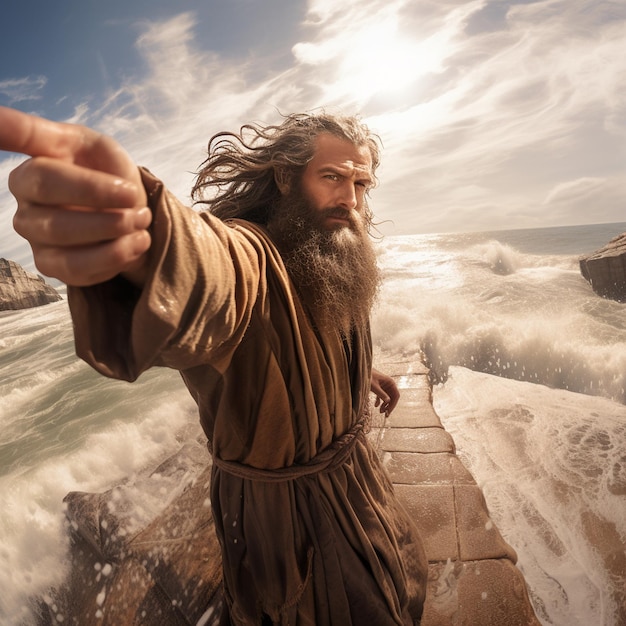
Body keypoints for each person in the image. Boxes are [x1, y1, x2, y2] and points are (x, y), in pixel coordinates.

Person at [0, 106, 427, 625]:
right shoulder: (253, 257)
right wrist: (142, 235)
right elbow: (207, 270)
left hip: (359, 485)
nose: (351, 198)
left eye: (361, 183)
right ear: (287, 178)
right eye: (332, 177)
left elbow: (320, 343)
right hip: (287, 525)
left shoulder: (332, 249)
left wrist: (360, 375)